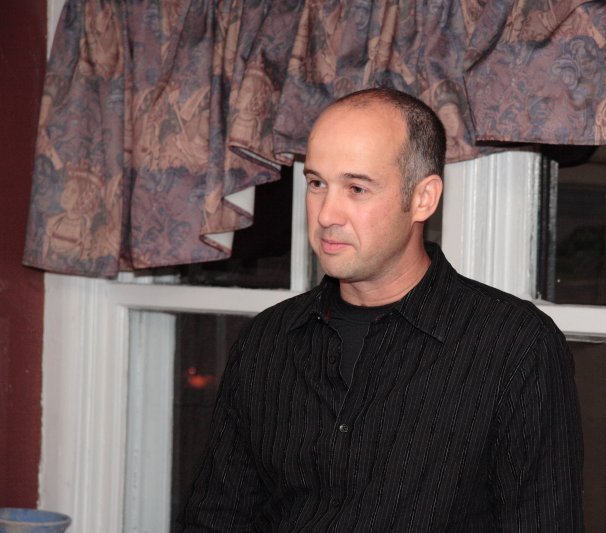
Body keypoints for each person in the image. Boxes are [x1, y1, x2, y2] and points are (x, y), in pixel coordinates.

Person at [177, 87, 584, 532]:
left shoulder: (515, 347)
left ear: (423, 198)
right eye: (317, 184)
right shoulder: (267, 341)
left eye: (356, 188)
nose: (327, 214)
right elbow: (215, 519)